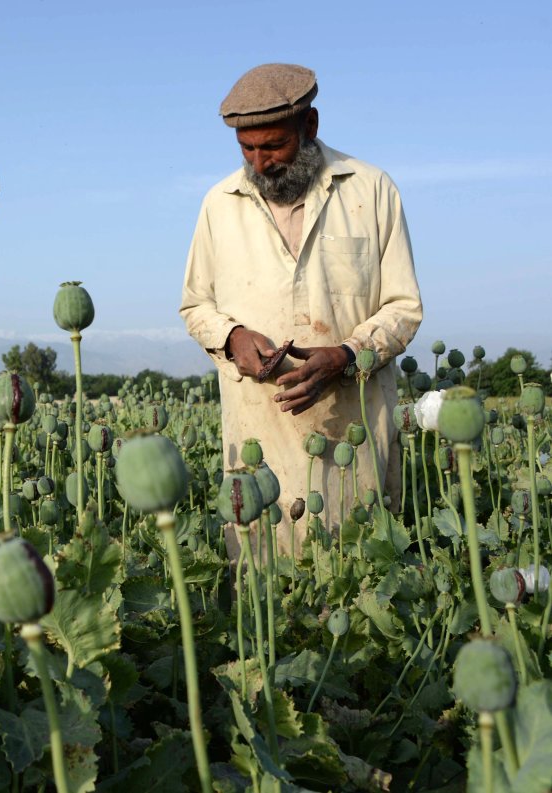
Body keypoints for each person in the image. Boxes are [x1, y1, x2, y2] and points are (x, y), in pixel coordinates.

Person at [179, 64, 422, 551]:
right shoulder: (219, 203)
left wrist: (348, 354)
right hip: (257, 429)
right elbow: (195, 304)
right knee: (262, 590)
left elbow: (403, 306)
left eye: (273, 146)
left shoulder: (370, 189)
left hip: (350, 429)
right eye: (247, 148)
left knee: (354, 575)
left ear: (309, 126)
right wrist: (232, 337)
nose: (260, 162)